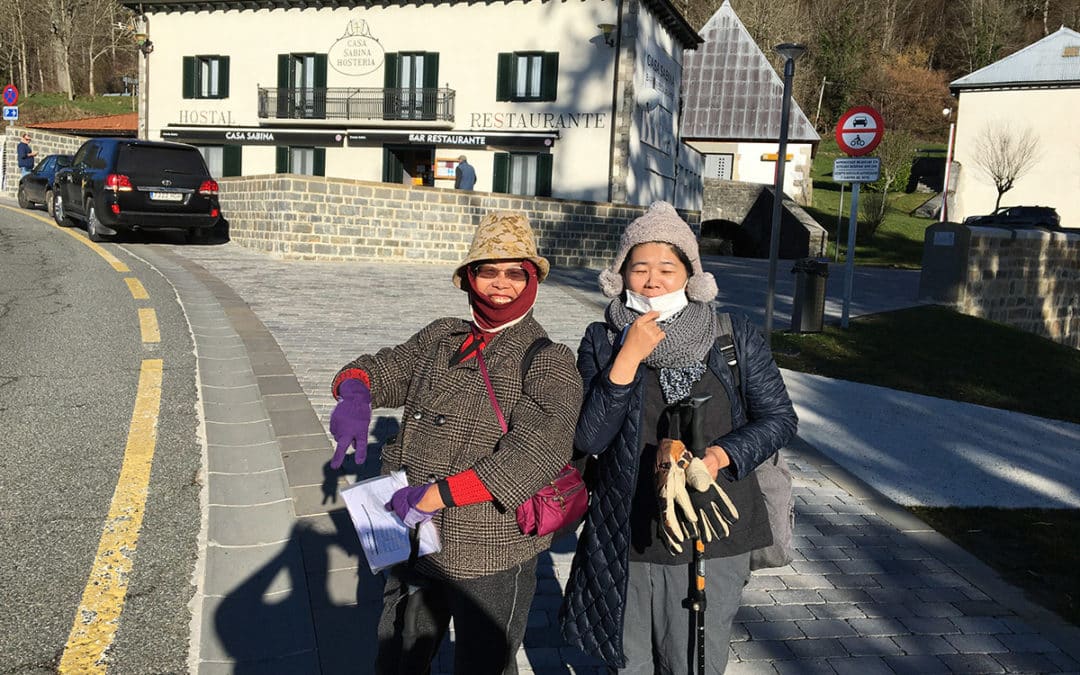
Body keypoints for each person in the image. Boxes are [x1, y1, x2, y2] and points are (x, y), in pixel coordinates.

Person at [328, 211, 582, 674]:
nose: (500, 284)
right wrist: (356, 390)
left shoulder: (548, 360)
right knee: (398, 657)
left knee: (482, 666)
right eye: (487, 271)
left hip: (490, 547)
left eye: (514, 273)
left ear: (531, 281)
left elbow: (536, 453)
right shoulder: (442, 336)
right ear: (468, 278)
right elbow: (388, 367)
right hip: (411, 538)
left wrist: (439, 494)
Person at [560, 201, 797, 674]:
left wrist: (722, 455)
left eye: (667, 268)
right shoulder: (602, 339)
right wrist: (627, 358)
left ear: (691, 275)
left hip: (716, 527)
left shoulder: (732, 335)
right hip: (627, 529)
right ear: (621, 275)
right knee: (631, 663)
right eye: (639, 268)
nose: (653, 281)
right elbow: (589, 437)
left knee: (694, 663)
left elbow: (779, 419)